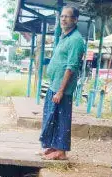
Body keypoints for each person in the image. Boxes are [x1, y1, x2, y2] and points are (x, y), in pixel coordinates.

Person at [39, 6, 86, 161]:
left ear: (75, 20)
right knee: (52, 117)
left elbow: (71, 67)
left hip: (62, 89)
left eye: (67, 16)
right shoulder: (64, 36)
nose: (64, 19)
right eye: (62, 17)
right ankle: (53, 146)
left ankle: (61, 152)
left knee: (62, 119)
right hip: (54, 84)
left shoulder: (76, 40)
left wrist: (60, 91)